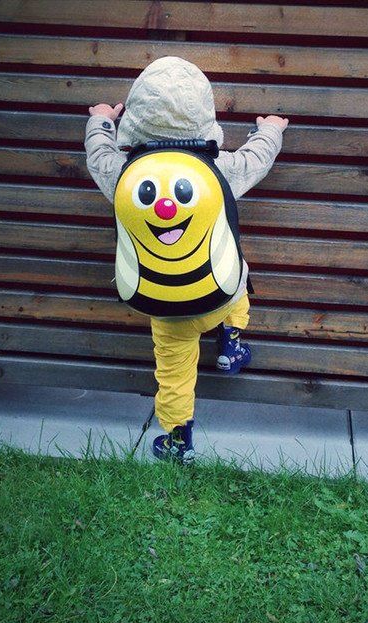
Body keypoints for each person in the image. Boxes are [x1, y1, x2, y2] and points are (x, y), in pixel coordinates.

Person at [84, 56, 288, 463]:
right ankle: (232, 344)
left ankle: (179, 440)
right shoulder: (220, 168)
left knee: (174, 373)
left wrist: (101, 121)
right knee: (239, 274)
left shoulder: (123, 173)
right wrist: (269, 129)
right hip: (221, 295)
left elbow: (98, 154)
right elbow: (257, 158)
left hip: (165, 308)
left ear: (135, 119)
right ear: (204, 117)